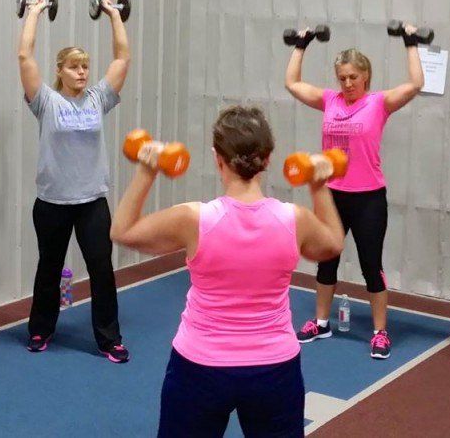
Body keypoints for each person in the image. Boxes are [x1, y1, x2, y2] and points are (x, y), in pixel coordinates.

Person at [109, 105, 344, 436]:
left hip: (200, 367)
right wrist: (319, 186)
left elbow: (122, 231)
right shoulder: (295, 219)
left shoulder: (194, 219)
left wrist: (147, 171)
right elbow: (333, 243)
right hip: (273, 369)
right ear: (268, 159)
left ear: (217, 157)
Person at [284, 23, 426, 358]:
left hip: (368, 197)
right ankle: (321, 323)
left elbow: (417, 83)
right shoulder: (329, 99)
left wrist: (410, 42)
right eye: (342, 78)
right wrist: (301, 44)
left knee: (370, 264)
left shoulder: (379, 103)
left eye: (353, 78)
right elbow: (291, 82)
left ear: (366, 77)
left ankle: (379, 332)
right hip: (333, 195)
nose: (347, 84)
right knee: (326, 259)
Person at [17, 0, 131, 361]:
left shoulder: (99, 98)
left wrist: (113, 14)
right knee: (48, 269)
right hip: (52, 202)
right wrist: (34, 12)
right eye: (74, 67)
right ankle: (39, 330)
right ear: (60, 71)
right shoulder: (46, 101)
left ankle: (109, 339)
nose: (82, 72)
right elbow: (24, 57)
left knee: (101, 271)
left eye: (85, 67)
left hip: (92, 202)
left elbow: (122, 59)